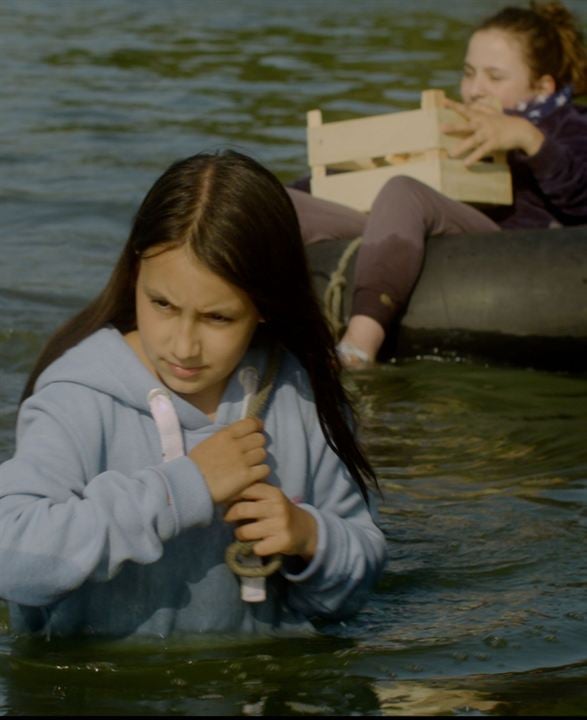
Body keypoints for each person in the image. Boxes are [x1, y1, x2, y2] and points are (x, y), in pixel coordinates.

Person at [0, 150, 386, 639]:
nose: (183, 345)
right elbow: (12, 558)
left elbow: (357, 582)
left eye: (218, 317)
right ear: (135, 271)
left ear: (265, 307)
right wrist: (184, 488)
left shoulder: (300, 396)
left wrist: (311, 538)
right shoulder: (77, 395)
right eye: (162, 304)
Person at [290, 0, 587, 367]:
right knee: (288, 200)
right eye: (468, 73)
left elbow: (580, 199)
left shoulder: (570, 126)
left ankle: (358, 345)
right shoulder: (453, 124)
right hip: (418, 236)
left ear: (542, 86)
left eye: (494, 77)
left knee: (404, 190)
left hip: (502, 252)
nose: (475, 89)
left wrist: (528, 138)